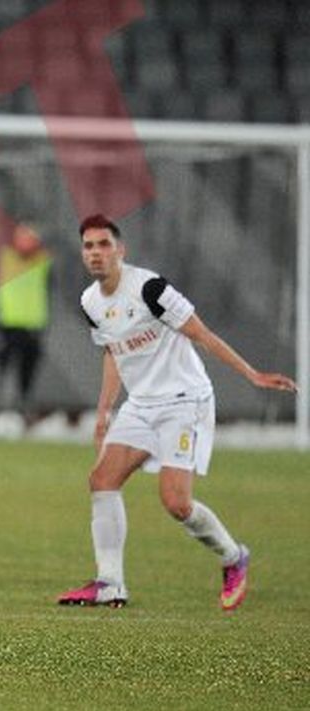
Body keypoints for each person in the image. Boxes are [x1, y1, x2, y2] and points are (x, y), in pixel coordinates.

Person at [58, 214, 297, 610]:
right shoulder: (90, 302)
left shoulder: (150, 288)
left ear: (121, 250)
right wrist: (104, 410)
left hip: (185, 402)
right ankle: (110, 583)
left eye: (103, 244)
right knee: (102, 480)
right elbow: (113, 353)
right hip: (141, 405)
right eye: (88, 246)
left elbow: (202, 335)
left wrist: (253, 375)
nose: (96, 253)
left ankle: (234, 556)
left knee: (176, 503)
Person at [0, 222, 52, 423]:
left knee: (27, 377)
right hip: (7, 327)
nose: (25, 242)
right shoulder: (5, 257)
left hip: (33, 328)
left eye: (30, 237)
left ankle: (24, 418)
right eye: (21, 236)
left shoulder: (43, 261)